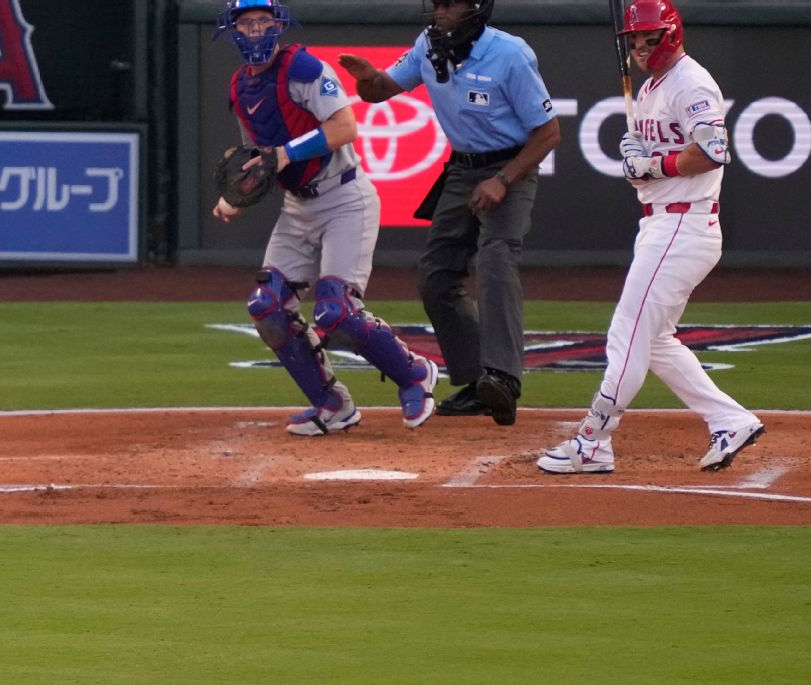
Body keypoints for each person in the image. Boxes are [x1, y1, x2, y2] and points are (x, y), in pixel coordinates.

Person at [537, 0, 764, 474]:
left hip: (683, 224)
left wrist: (653, 164)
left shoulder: (690, 81)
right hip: (663, 222)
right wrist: (639, 166)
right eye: (634, 40)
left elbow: (714, 151)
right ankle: (730, 419)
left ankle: (593, 441)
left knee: (627, 332)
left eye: (649, 38)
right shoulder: (650, 89)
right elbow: (656, 168)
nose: (639, 47)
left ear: (672, 34)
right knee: (655, 339)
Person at [212, 0, 438, 436]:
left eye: (263, 21)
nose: (256, 31)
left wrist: (285, 154)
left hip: (345, 197)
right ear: (233, 30)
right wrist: (235, 199)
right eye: (247, 23)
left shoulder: (304, 69)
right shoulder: (241, 88)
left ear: (278, 25)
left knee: (337, 312)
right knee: (267, 306)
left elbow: (344, 128)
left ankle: (414, 373)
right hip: (297, 205)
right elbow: (257, 164)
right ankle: (331, 403)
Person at [337, 0, 560, 427]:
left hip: (512, 164)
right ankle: (478, 382)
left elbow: (549, 133)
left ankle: (504, 379)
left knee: (497, 257)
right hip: (462, 168)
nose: (439, 13)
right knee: (436, 276)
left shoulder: (510, 55)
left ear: (476, 9)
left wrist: (503, 181)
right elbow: (382, 90)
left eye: (450, 5)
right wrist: (367, 79)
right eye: (436, 4)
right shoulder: (428, 46)